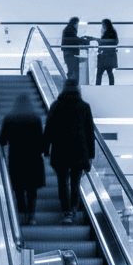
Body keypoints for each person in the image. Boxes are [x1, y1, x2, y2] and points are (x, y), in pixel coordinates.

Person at [43, 79, 95, 224]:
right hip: (80, 151)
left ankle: (66, 212)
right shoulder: (84, 106)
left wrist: (45, 149)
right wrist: (91, 155)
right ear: (77, 89)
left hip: (60, 150)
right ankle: (73, 210)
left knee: (63, 181)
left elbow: (49, 129)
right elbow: (90, 132)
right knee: (75, 182)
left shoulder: (56, 105)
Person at [0, 92, 45, 225]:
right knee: (32, 190)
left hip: (16, 159)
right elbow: (41, 141)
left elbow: (3, 140)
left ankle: (22, 214)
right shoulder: (35, 118)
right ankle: (31, 217)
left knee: (19, 189)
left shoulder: (10, 118)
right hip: (33, 159)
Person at [60, 16, 87, 82]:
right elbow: (73, 40)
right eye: (77, 24)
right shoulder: (70, 29)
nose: (78, 25)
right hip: (71, 54)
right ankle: (71, 86)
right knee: (73, 71)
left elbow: (72, 39)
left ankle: (68, 85)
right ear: (75, 23)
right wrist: (82, 40)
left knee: (71, 71)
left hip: (67, 53)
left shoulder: (68, 29)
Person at [94, 18, 119, 85]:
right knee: (109, 72)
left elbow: (104, 42)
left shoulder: (108, 32)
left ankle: (98, 86)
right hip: (109, 55)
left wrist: (100, 43)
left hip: (105, 56)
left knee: (100, 73)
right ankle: (111, 86)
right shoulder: (112, 32)